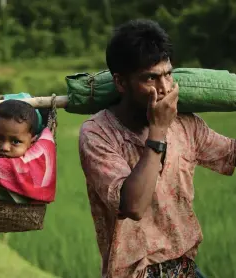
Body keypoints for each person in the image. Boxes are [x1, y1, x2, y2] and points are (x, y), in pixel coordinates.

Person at [78, 19, 235, 277]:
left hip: (184, 267)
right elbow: (133, 206)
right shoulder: (98, 133)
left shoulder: (185, 122)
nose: (164, 89)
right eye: (150, 78)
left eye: (167, 74)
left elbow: (229, 153)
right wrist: (158, 130)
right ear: (120, 82)